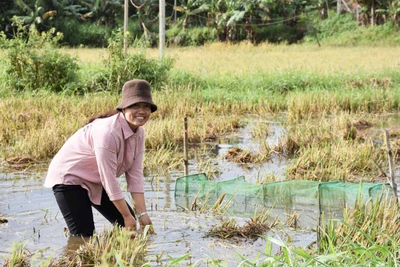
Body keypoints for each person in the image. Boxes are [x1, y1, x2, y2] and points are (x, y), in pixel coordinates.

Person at [44, 79, 156, 237]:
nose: (142, 111)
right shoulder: (108, 133)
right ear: (123, 108)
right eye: (135, 106)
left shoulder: (139, 133)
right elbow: (109, 179)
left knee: (129, 223)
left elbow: (135, 176)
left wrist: (141, 214)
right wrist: (126, 215)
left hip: (96, 180)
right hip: (70, 179)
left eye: (146, 106)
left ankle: (119, 259)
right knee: (84, 236)